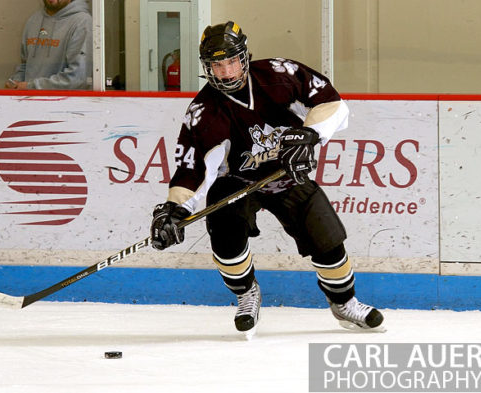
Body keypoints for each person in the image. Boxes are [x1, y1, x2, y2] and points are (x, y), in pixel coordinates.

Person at [150, 21, 384, 334]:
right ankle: (247, 294)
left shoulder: (279, 74)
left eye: (232, 61)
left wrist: (309, 134)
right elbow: (192, 169)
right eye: (218, 65)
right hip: (236, 182)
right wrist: (175, 209)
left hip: (286, 173)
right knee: (225, 235)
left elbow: (331, 102)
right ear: (207, 68)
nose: (227, 72)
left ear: (245, 57)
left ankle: (344, 304)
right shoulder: (204, 111)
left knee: (327, 239)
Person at [5, 0, 92, 90]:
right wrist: (16, 82)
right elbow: (25, 65)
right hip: (29, 101)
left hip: (63, 102)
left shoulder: (82, 22)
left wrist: (31, 87)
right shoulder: (33, 20)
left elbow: (78, 79)